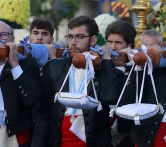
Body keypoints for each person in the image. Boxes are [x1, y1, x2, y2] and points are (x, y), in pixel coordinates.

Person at [31, 15, 124, 147]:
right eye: (70, 36)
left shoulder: (105, 70)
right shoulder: (55, 67)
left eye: (80, 37)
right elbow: (43, 114)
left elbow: (110, 97)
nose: (73, 42)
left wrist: (107, 61)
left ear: (93, 40)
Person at [117, 30, 166, 147]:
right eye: (144, 47)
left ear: (162, 46)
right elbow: (128, 100)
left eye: (152, 47)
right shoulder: (136, 67)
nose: (147, 51)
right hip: (144, 133)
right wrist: (139, 68)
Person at [0, 20, 41, 147]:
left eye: (3, 35)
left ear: (12, 38)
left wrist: (14, 64)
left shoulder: (27, 64)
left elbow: (32, 98)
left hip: (15, 138)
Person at [105, 20, 137, 147]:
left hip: (127, 134)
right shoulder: (102, 64)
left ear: (129, 45)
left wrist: (132, 65)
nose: (112, 47)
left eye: (118, 43)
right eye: (110, 42)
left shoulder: (137, 68)